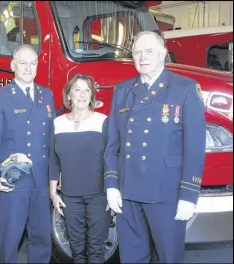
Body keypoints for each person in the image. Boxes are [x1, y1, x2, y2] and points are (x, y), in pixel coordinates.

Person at [104, 31, 206, 263]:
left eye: (149, 51)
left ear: (163, 54)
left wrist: (189, 194)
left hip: (165, 192)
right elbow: (113, 143)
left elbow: (194, 146)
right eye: (137, 52)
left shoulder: (185, 88)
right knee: (131, 257)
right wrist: (111, 184)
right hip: (128, 191)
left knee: (169, 257)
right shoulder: (123, 90)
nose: (142, 57)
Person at [0, 44, 55, 263]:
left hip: (42, 179)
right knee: (10, 237)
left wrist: (56, 174)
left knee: (42, 237)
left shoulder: (47, 94)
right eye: (22, 63)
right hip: (13, 179)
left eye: (32, 63)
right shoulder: (1, 96)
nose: (28, 68)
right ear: (13, 65)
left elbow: (51, 138)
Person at [50, 73, 111, 263]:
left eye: (87, 90)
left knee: (96, 251)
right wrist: (53, 193)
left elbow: (112, 159)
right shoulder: (57, 123)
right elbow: (53, 160)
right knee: (76, 251)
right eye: (78, 89)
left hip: (99, 197)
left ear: (92, 96)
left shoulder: (103, 121)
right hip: (70, 198)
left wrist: (114, 190)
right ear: (69, 95)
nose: (83, 94)